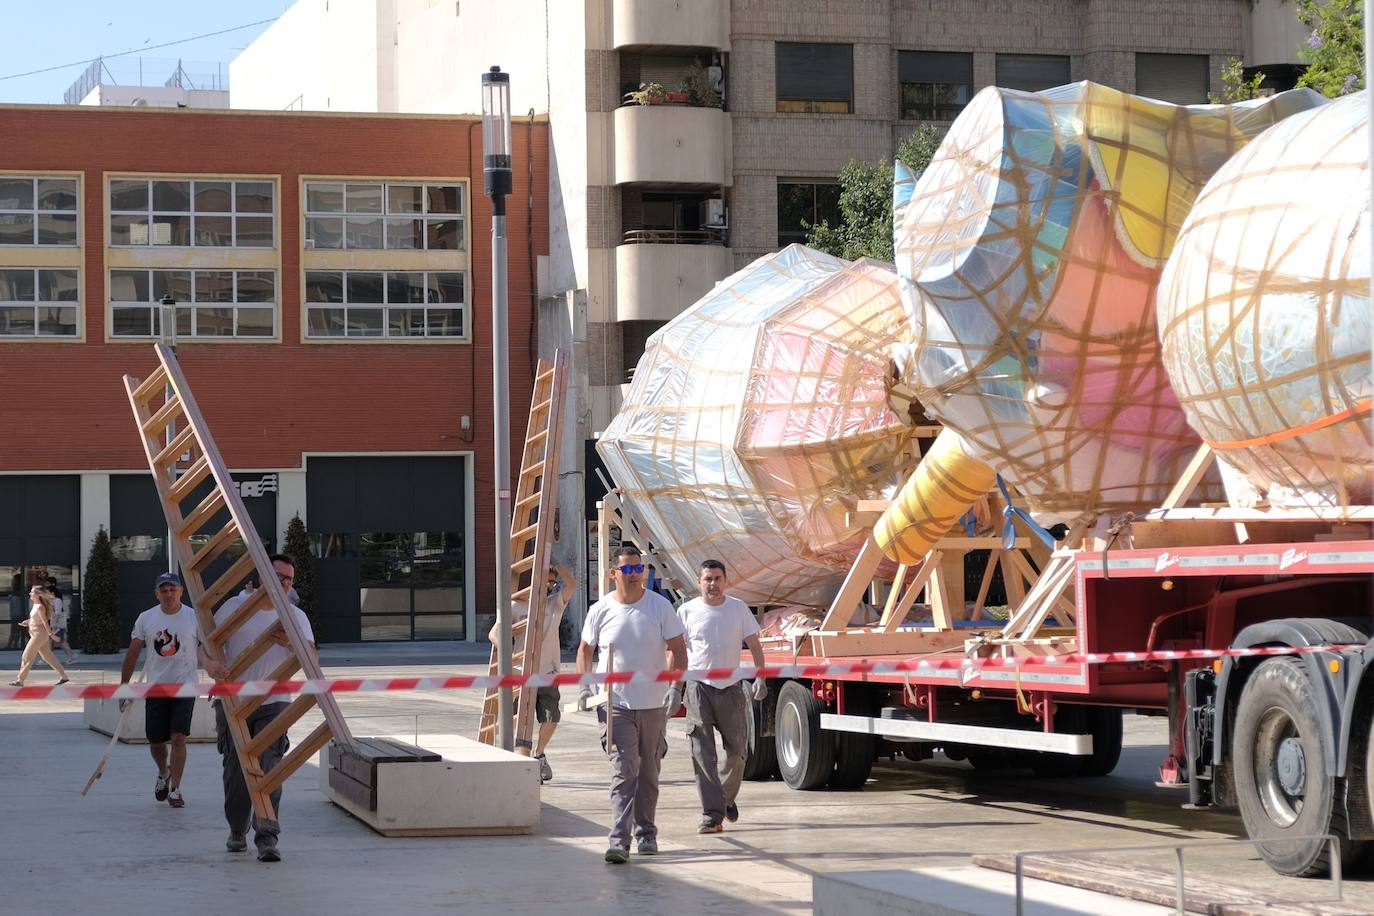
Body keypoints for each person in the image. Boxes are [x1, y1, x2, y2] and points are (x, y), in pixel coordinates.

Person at [576, 545, 687, 864]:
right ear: (614, 574)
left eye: (639, 569)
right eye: (627, 569)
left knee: (649, 771)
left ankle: (647, 834)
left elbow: (679, 649)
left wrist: (676, 686)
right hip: (615, 703)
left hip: (653, 703)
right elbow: (585, 651)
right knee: (625, 769)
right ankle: (619, 841)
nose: (635, 574)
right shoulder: (601, 610)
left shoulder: (660, 607)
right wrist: (585, 685)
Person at [204, 554, 315, 864]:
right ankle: (237, 829)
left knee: (270, 771)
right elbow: (206, 647)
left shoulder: (295, 616)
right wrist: (211, 665)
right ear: (262, 576)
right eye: (279, 577)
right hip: (233, 702)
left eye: (289, 579)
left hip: (274, 703)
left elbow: (313, 658)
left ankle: (267, 837)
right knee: (236, 772)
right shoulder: (233, 608)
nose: (284, 583)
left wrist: (293, 644)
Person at [676, 560, 767, 833]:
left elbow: (754, 644)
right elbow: (676, 652)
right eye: (707, 579)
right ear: (699, 581)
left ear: (725, 581)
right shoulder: (686, 611)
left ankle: (725, 799)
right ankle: (712, 815)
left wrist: (761, 676)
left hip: (731, 689)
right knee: (703, 754)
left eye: (717, 578)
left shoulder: (738, 609)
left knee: (737, 753)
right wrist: (671, 687)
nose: (712, 584)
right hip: (698, 688)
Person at [119, 572, 202, 810]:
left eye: (172, 590)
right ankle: (163, 772)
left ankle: (175, 788)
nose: (168, 594)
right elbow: (133, 653)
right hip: (156, 687)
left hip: (185, 685)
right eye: (163, 590)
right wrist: (124, 688)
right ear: (157, 594)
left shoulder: (194, 617)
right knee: (156, 741)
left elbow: (208, 648)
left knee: (178, 737)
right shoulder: (146, 618)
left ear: (181, 591)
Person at [490, 563, 576, 783]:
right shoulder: (516, 606)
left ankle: (539, 754)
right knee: (519, 719)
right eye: (545, 581)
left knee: (551, 716)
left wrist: (555, 564)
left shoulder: (553, 604)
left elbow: (572, 585)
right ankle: (521, 761)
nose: (548, 586)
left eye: (551, 582)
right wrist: (506, 653)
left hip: (547, 670)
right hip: (520, 671)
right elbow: (494, 633)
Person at [10, 584, 69, 687]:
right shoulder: (35, 605)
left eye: (32, 592)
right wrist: (28, 622)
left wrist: (51, 634)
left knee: (27, 656)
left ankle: (20, 680)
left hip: (39, 635)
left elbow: (45, 622)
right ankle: (64, 676)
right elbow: (37, 619)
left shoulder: (40, 607)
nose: (30, 593)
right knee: (48, 657)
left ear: (38, 595)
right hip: (36, 633)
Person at [46, 578, 76, 664]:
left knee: (60, 641)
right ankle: (48, 659)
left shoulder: (57, 600)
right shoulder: (53, 600)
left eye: (48, 592)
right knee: (53, 641)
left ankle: (71, 656)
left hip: (57, 624)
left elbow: (58, 613)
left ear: (52, 593)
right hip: (54, 623)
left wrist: (54, 625)